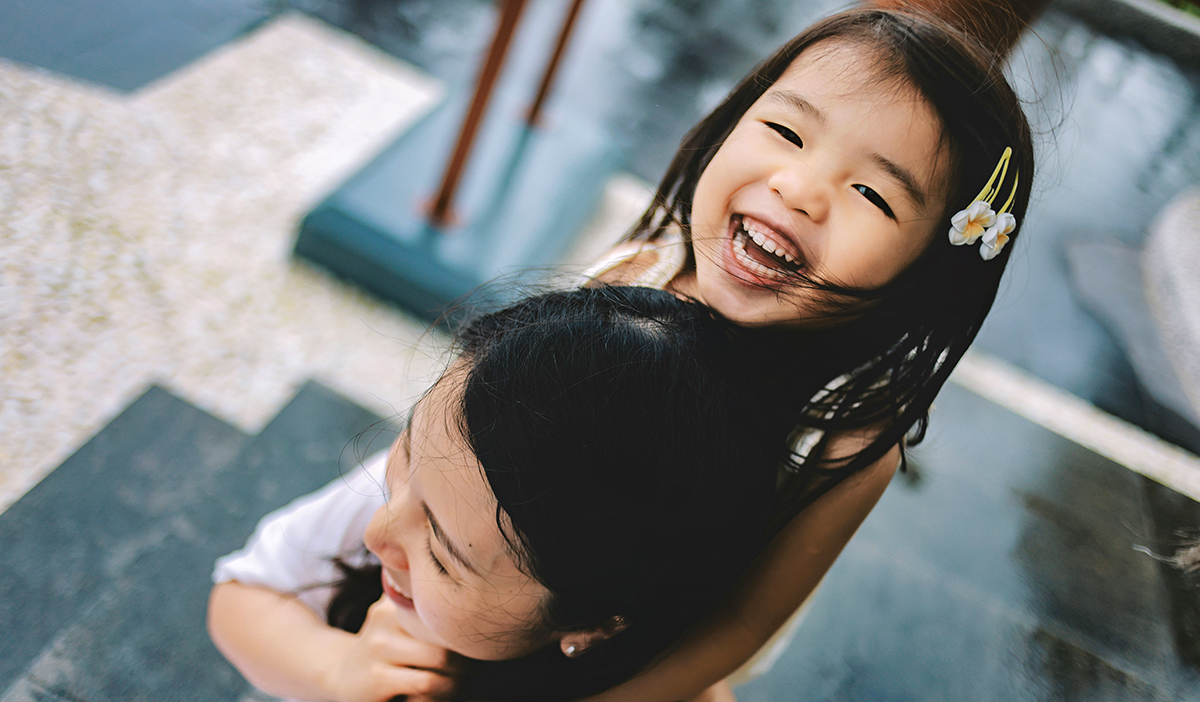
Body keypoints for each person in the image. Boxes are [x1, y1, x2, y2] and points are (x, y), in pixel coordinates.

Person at [577, 7, 1034, 700]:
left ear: (922, 271)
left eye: (872, 194)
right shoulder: (633, 272)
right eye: (786, 132)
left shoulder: (846, 439)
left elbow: (742, 620)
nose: (799, 189)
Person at [207, 285, 795, 702]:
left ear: (591, 622)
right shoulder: (443, 483)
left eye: (442, 557)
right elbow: (242, 595)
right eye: (403, 453)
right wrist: (334, 669)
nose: (377, 531)